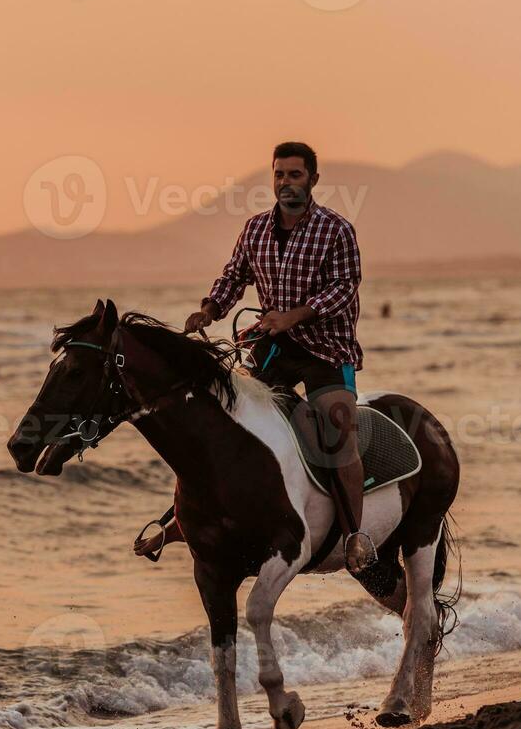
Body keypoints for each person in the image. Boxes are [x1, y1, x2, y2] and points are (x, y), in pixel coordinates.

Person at [134, 141, 375, 574]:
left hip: (325, 349)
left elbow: (344, 289)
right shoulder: (255, 229)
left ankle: (356, 534)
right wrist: (210, 308)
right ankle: (180, 519)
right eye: (279, 175)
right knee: (223, 420)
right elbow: (234, 275)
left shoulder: (336, 230)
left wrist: (293, 317)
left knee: (338, 430)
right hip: (272, 347)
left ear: (314, 180)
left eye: (295, 175)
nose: (286, 183)